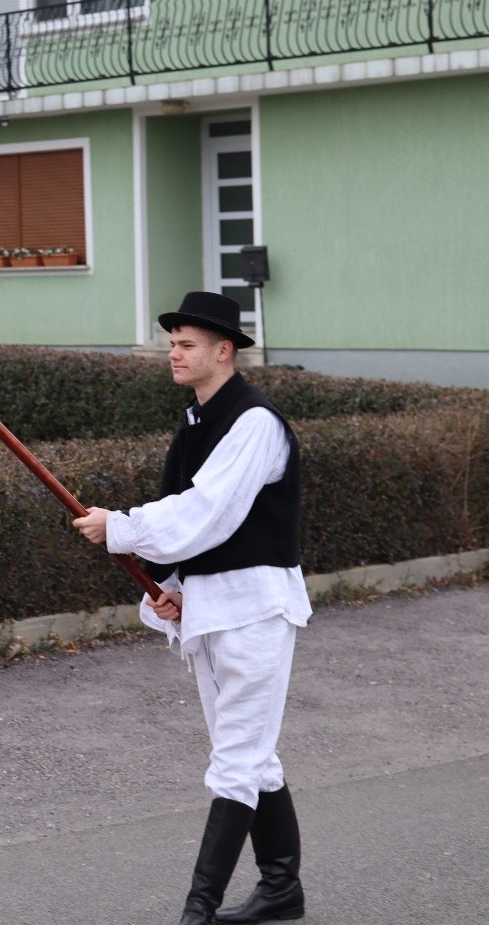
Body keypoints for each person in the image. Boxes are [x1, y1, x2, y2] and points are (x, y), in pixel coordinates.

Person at [72, 291, 312, 925]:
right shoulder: (198, 422)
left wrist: (120, 528)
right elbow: (200, 523)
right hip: (212, 606)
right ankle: (281, 889)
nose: (173, 354)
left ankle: (196, 911)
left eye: (186, 345)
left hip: (256, 609)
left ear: (223, 351)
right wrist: (174, 584)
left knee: (237, 759)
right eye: (171, 344)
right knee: (252, 754)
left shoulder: (254, 423)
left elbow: (205, 511)